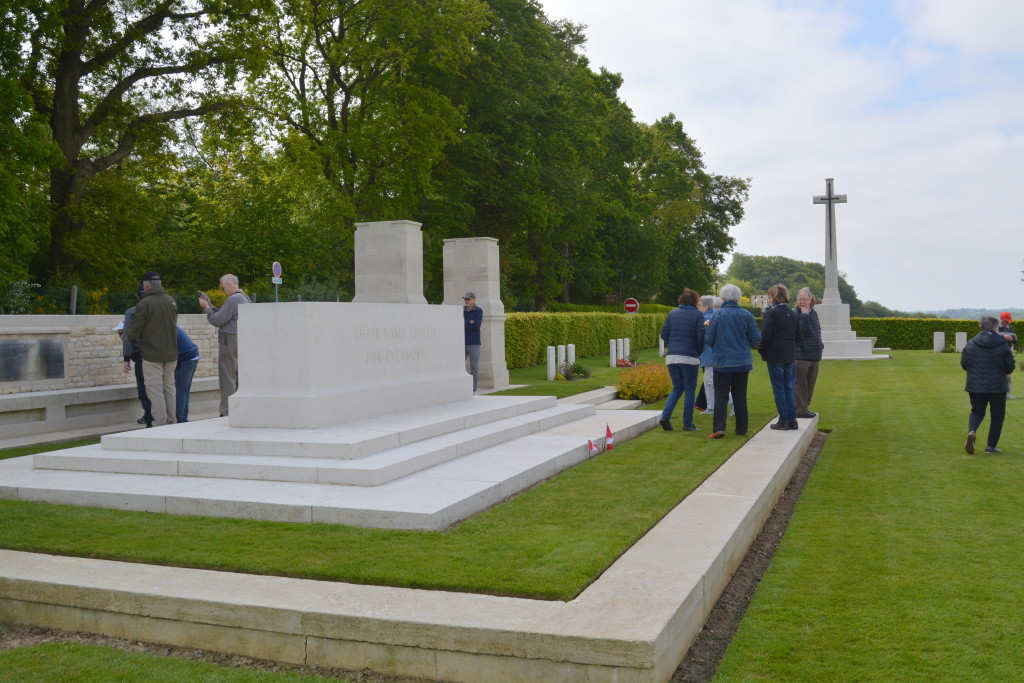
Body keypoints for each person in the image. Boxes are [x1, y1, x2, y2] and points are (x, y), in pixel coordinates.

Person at [704, 284, 761, 439]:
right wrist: (743, 344)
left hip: (722, 362)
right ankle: (742, 429)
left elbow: (709, 339)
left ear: (723, 298)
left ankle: (719, 428)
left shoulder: (717, 315)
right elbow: (756, 338)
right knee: (740, 396)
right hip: (742, 362)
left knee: (721, 395)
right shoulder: (747, 315)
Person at [125, 271, 177, 426]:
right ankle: (172, 420)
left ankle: (160, 423)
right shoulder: (171, 300)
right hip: (171, 352)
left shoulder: (144, 303)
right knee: (169, 388)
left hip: (152, 354)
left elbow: (136, 329)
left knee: (154, 390)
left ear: (146, 285)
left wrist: (127, 337)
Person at [961, 315, 1015, 454]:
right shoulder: (1002, 344)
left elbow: (964, 363)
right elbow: (1009, 367)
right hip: (997, 385)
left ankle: (972, 432)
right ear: (996, 327)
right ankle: (991, 446)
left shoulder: (971, 343)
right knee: (997, 415)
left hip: (975, 384)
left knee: (976, 411)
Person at [199, 274, 251, 416]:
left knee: (227, 376)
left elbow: (218, 320)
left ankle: (226, 411)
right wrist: (210, 305)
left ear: (229, 284)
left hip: (229, 340)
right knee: (239, 376)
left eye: (222, 288)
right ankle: (239, 410)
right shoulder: (245, 297)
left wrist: (206, 308)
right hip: (241, 339)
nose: (222, 290)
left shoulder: (233, 299)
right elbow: (225, 315)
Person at [659, 289, 705, 431]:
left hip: (672, 356)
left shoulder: (672, 313)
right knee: (690, 390)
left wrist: (672, 345)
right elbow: (700, 337)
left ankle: (665, 416)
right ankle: (687, 424)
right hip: (689, 357)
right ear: (695, 301)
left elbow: (664, 334)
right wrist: (697, 351)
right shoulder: (698, 315)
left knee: (677, 387)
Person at [760, 284, 801, 430]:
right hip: (789, 354)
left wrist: (761, 349)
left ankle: (783, 420)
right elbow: (798, 336)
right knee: (787, 387)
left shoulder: (772, 313)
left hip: (775, 354)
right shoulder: (793, 313)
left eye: (770, 296)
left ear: (774, 297)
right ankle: (792, 420)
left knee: (778, 388)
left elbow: (766, 335)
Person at [120, 284, 153, 427]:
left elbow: (128, 336)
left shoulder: (132, 312)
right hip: (160, 354)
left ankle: (149, 417)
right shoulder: (159, 309)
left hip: (141, 354)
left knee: (143, 388)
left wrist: (126, 358)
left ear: (137, 296)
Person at [793, 287, 824, 418]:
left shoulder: (814, 313)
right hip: (801, 355)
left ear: (810, 300)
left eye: (804, 299)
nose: (802, 302)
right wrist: (804, 315)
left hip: (814, 355)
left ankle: (805, 408)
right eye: (799, 299)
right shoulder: (796, 313)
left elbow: (817, 331)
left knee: (810, 385)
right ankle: (800, 410)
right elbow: (800, 332)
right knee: (800, 385)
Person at [174, 326, 201, 423]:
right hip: (192, 356)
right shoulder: (171, 325)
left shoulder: (166, 328)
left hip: (186, 358)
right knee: (184, 391)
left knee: (181, 391)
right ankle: (183, 418)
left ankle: (180, 419)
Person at [463, 292, 483, 392]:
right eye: (465, 299)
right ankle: (462, 387)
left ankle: (473, 388)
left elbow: (476, 326)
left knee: (474, 368)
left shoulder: (479, 311)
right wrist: (468, 321)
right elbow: (457, 323)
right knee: (459, 366)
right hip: (462, 343)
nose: (466, 301)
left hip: (474, 343)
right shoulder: (461, 311)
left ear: (474, 300)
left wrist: (464, 322)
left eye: (468, 299)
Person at [997, 312, 1017, 399]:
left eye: (1008, 321)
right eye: (1006, 321)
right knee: (997, 373)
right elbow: (990, 339)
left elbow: (1015, 339)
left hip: (1008, 353)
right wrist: (1003, 337)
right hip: (997, 353)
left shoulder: (1010, 328)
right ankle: (997, 393)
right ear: (1001, 319)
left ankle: (1007, 393)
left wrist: (1012, 338)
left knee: (1008, 373)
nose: (1007, 323)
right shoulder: (995, 328)